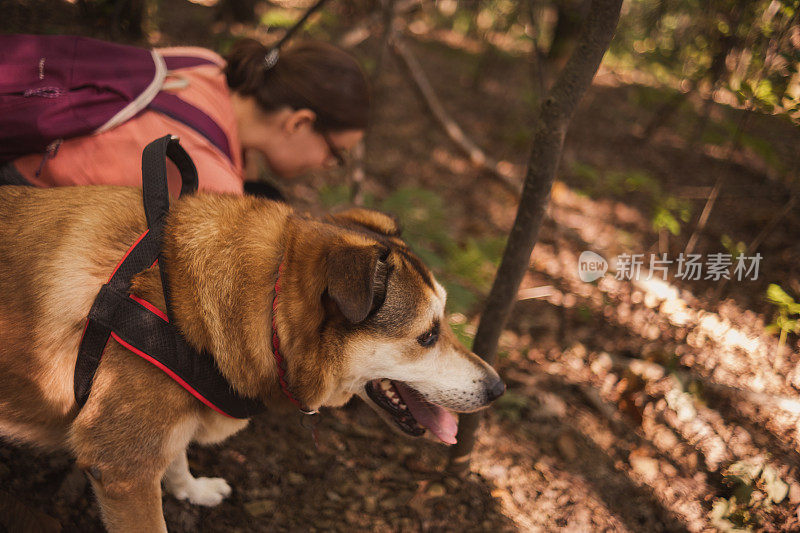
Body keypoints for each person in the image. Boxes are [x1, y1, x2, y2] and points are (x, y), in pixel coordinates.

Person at [3, 38, 369, 197]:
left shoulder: (205, 63)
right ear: (300, 123)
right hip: (23, 206)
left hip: (23, 139)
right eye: (334, 153)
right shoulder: (211, 181)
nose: (326, 164)